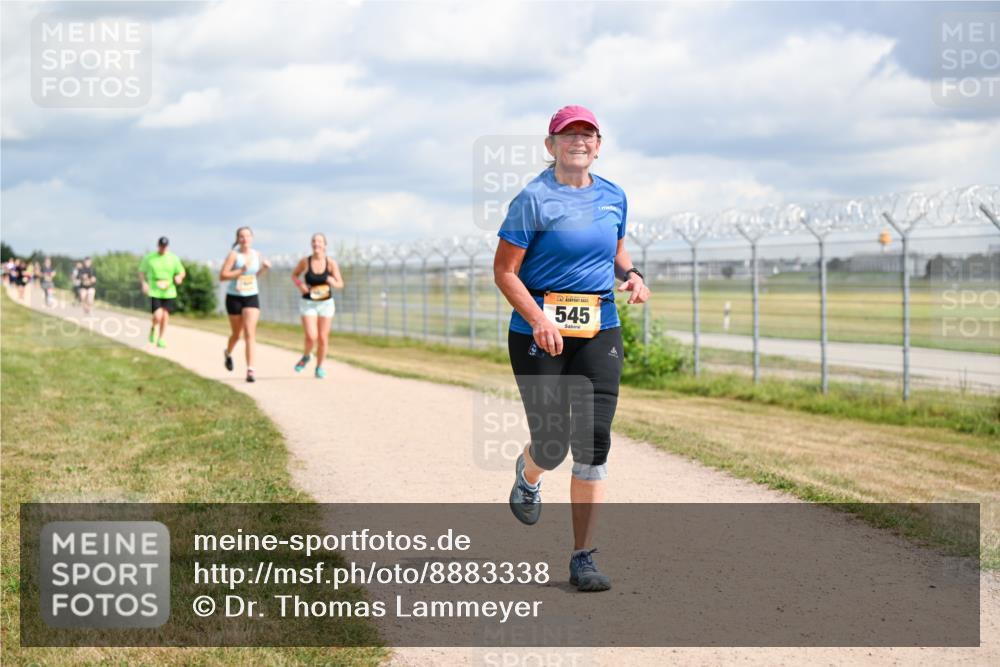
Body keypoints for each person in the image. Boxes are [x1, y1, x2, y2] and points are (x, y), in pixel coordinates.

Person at [493, 105, 650, 593]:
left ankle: (584, 556)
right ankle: (529, 473)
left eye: (587, 134)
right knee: (552, 442)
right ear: (551, 145)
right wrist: (539, 319)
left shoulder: (614, 195)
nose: (578, 141)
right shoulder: (533, 199)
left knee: (593, 439)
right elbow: (504, 271)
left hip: (599, 328)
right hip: (538, 333)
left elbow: (616, 250)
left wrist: (632, 274)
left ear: (598, 145)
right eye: (568, 135)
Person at [218, 226, 270, 382]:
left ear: (252, 238)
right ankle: (228, 352)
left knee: (249, 332)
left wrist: (263, 269)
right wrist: (240, 270)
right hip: (234, 297)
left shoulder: (257, 254)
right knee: (237, 334)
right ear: (238, 239)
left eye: (247, 236)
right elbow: (222, 276)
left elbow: (254, 276)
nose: (245, 239)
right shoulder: (234, 255)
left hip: (251, 296)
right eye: (242, 236)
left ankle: (250, 370)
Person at [290, 233, 345, 378]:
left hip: (326, 303)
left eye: (319, 241)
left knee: (322, 338)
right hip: (308, 303)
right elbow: (294, 275)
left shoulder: (331, 263)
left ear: (325, 245)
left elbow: (340, 283)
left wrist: (333, 282)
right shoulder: (305, 262)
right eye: (314, 241)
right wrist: (300, 284)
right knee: (311, 336)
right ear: (311, 244)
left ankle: (319, 367)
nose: (316, 244)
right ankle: (307, 356)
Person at [138, 237, 186, 348]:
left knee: (165, 316)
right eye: (161, 246)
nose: (163, 248)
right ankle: (153, 328)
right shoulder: (150, 258)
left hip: (169, 291)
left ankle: (161, 338)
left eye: (165, 246)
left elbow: (182, 272)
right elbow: (141, 271)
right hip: (154, 290)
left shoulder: (173, 258)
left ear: (167, 246)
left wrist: (179, 277)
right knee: (158, 315)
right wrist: (144, 283)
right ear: (158, 245)